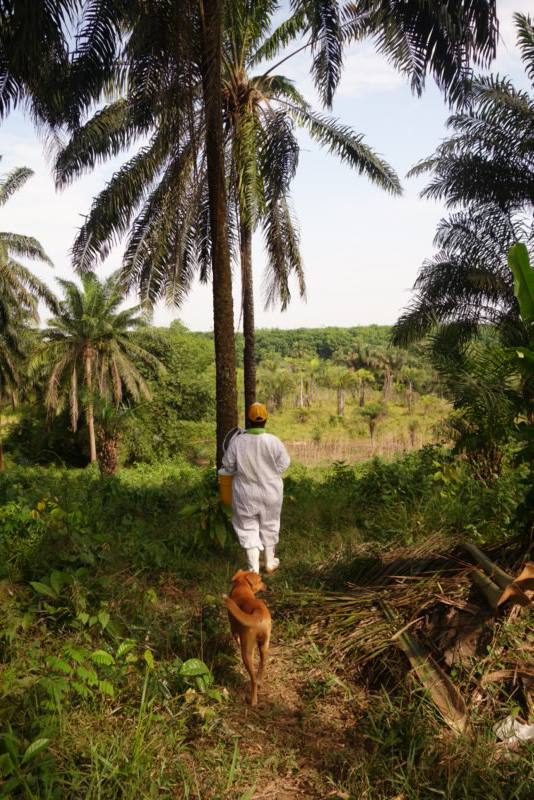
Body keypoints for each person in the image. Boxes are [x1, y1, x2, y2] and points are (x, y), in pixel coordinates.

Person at [220, 402, 290, 574]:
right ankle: (270, 562)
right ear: (266, 420)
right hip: (271, 492)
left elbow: (227, 465)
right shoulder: (273, 441)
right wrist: (270, 472)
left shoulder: (237, 442)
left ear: (249, 421)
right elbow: (284, 464)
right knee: (270, 524)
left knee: (247, 528)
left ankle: (254, 569)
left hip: (245, 494)